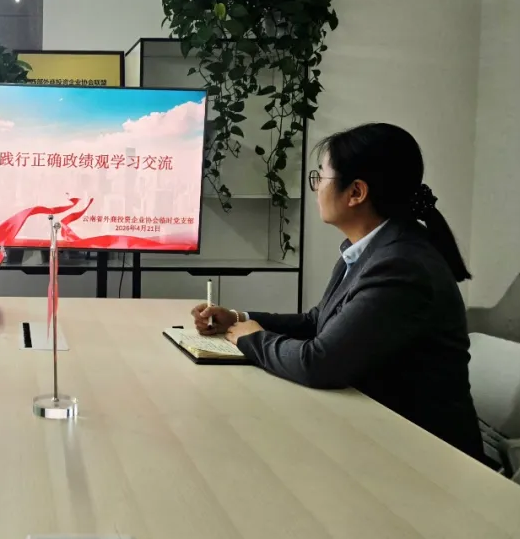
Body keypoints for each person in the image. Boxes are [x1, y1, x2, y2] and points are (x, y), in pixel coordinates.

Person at [193, 123, 483, 460]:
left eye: (321, 177)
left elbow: (320, 363)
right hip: (377, 430)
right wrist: (238, 318)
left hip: (425, 454)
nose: (317, 187)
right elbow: (318, 321)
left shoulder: (401, 265)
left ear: (356, 192)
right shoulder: (371, 250)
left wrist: (252, 339)